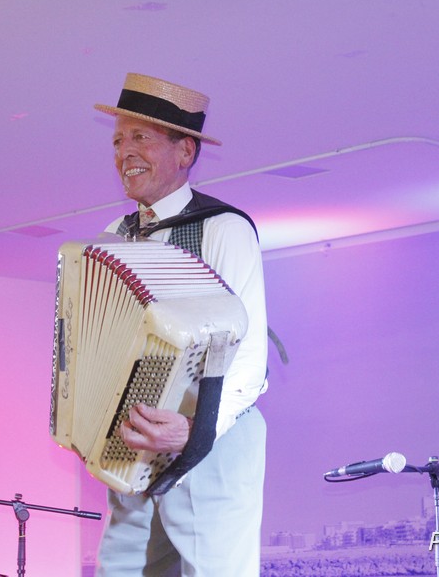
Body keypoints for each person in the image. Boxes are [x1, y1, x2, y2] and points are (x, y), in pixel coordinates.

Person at [92, 73, 269, 577]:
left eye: (140, 137)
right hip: (137, 442)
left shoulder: (224, 229)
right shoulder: (114, 236)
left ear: (185, 151)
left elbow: (248, 357)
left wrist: (196, 429)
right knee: (122, 569)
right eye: (118, 140)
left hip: (213, 435)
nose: (124, 152)